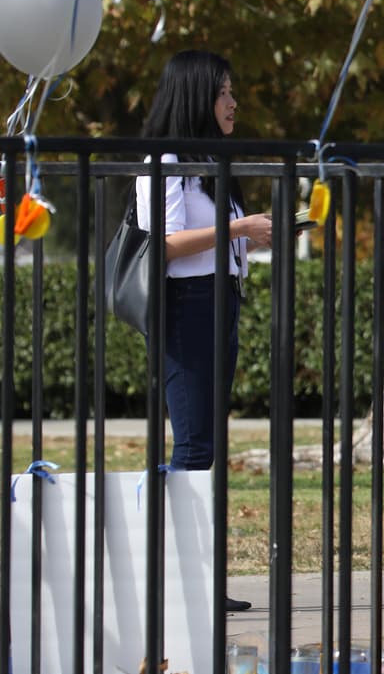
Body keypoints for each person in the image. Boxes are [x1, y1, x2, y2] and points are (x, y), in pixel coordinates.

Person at [136, 50, 272, 612]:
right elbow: (162, 243)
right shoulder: (163, 159)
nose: (233, 102)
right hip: (185, 306)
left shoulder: (208, 161)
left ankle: (197, 581)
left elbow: (211, 237)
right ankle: (173, 578)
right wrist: (238, 226)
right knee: (193, 442)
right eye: (223, 92)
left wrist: (250, 237)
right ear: (196, 95)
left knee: (207, 444)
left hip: (220, 302)